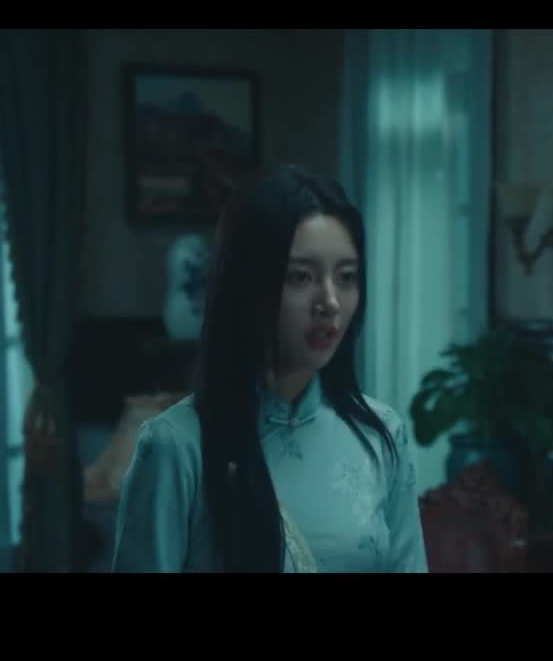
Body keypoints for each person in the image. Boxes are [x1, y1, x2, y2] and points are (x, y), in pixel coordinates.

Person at [111, 165, 428, 573]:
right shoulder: (177, 447)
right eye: (301, 277)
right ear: (249, 285)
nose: (330, 301)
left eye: (346, 277)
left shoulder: (380, 436)